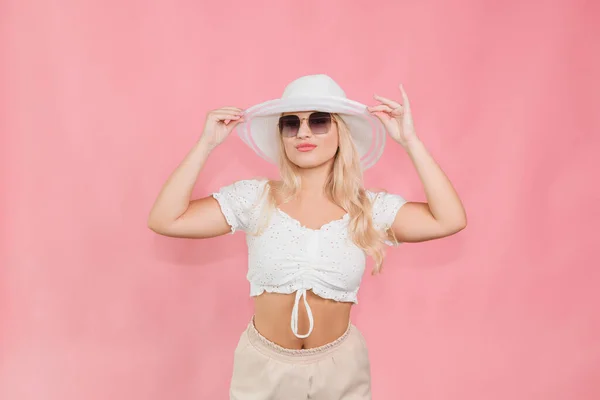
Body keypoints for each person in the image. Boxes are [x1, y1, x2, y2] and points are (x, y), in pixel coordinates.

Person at [147, 74, 467, 399]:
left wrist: (411, 141)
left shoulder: (367, 208)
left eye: (318, 121)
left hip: (342, 371)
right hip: (263, 371)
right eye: (291, 123)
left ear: (341, 132)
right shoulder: (255, 198)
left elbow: (449, 219)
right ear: (282, 136)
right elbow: (166, 219)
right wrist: (206, 145)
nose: (303, 132)